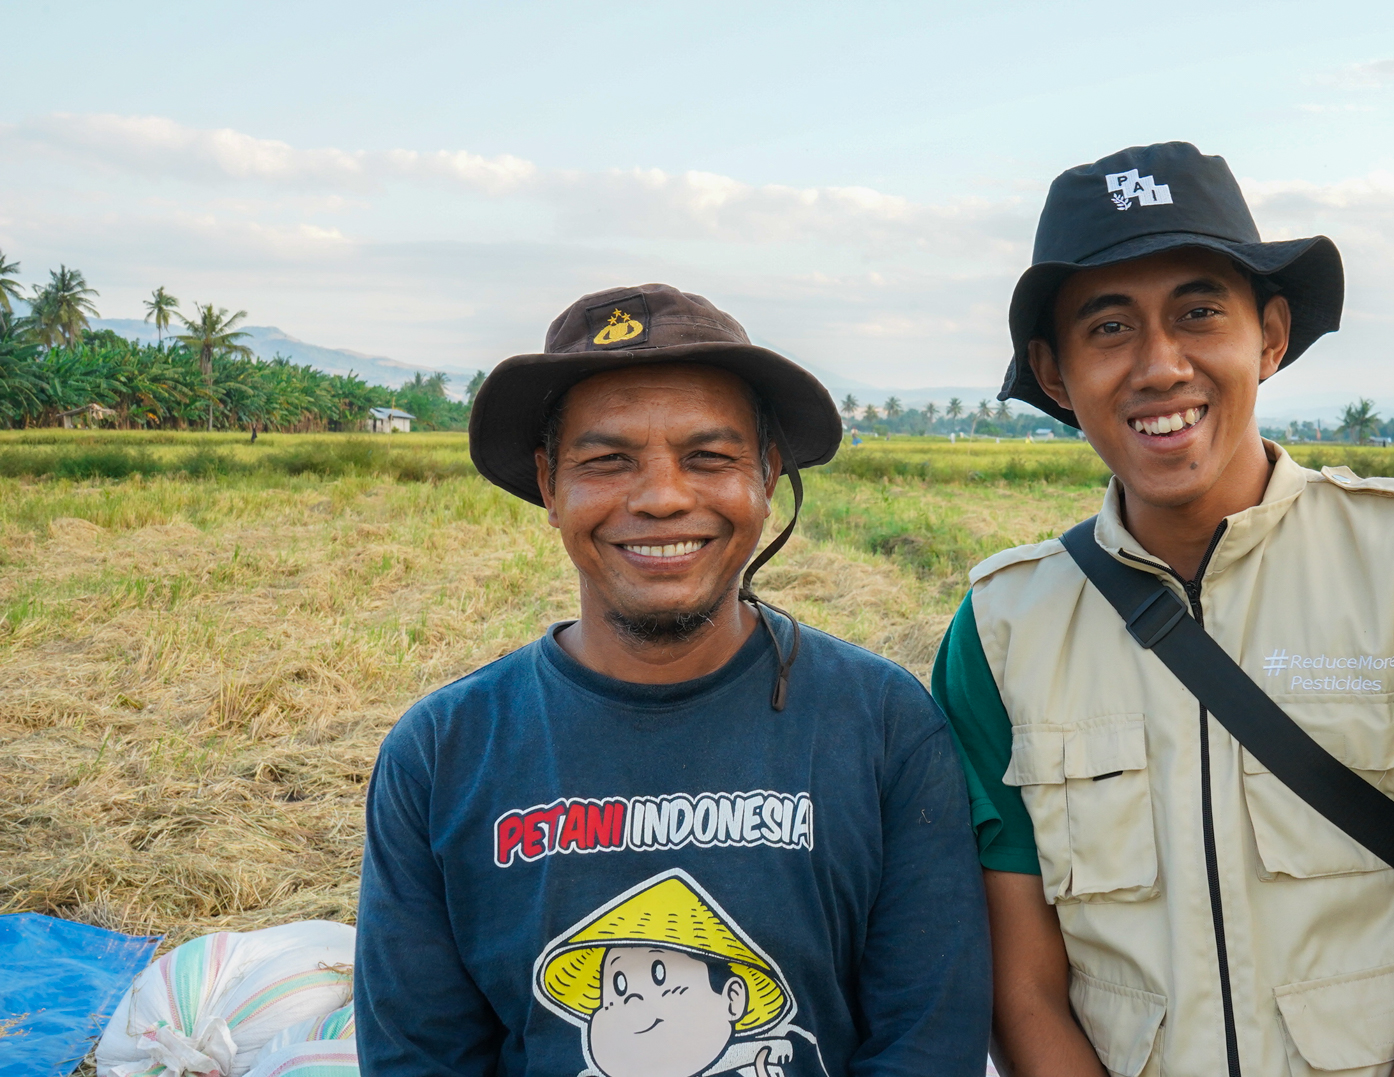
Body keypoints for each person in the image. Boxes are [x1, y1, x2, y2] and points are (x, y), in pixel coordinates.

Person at [934, 143, 1394, 1077]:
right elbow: (1024, 989)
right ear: (1055, 373)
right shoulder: (1002, 631)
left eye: (1199, 312)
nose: (1160, 366)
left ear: (1271, 335)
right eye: (1109, 327)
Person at [355, 285, 991, 1077]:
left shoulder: (884, 725)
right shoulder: (442, 753)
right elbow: (421, 1058)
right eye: (608, 460)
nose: (661, 497)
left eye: (708, 457)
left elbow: (927, 1044)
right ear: (550, 484)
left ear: (765, 473)